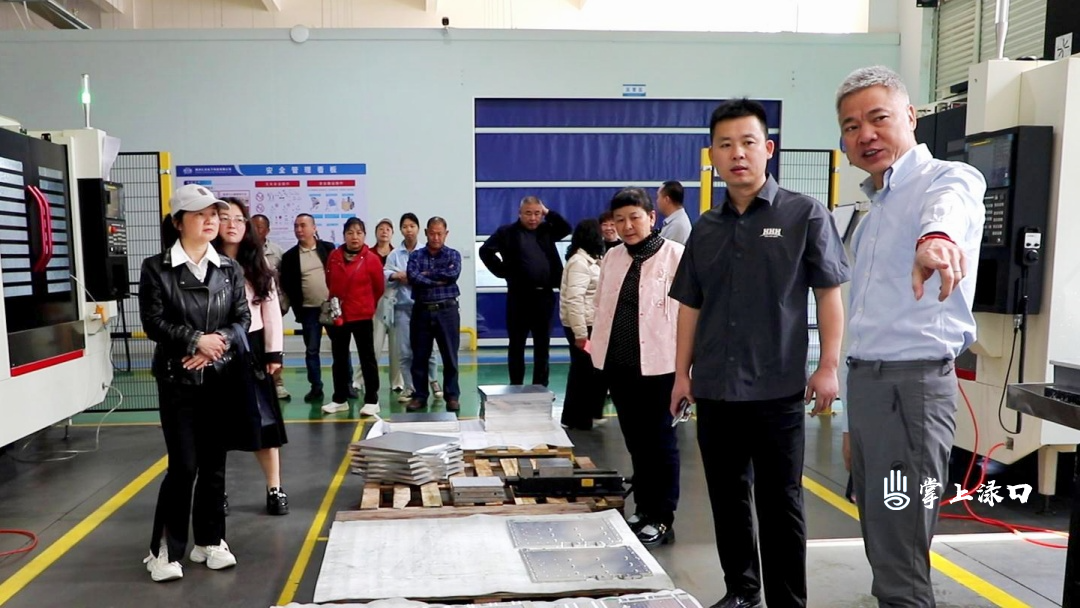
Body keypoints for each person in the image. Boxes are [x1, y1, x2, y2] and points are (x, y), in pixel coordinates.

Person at [668, 98, 850, 608]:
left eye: (748, 142)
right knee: (726, 498)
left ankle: (788, 602)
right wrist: (682, 375)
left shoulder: (804, 214)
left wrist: (828, 367)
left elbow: (829, 294)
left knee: (780, 501)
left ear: (768, 149)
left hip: (777, 387)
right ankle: (742, 591)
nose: (737, 154)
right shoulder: (706, 227)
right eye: (725, 145)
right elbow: (690, 306)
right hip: (716, 389)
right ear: (712, 155)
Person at [836, 65, 985, 608]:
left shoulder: (948, 179)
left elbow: (947, 213)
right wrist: (850, 421)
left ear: (910, 116)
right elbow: (863, 322)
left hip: (912, 386)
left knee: (900, 540)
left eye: (878, 118)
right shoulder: (872, 211)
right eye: (851, 126)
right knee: (880, 531)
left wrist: (937, 239)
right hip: (869, 385)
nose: (865, 135)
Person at [139, 184, 250, 581]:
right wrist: (193, 340)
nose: (210, 220)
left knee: (215, 465)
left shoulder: (229, 268)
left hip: (219, 375)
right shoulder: (156, 268)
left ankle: (210, 541)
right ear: (177, 222)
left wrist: (215, 344)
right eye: (200, 214)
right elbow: (153, 322)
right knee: (184, 465)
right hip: (177, 379)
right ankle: (164, 551)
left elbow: (242, 319)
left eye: (214, 214)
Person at [590, 187, 684, 547]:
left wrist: (688, 369)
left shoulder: (676, 256)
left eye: (634, 218)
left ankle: (662, 516)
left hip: (662, 366)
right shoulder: (613, 256)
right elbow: (601, 304)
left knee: (660, 442)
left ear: (651, 218)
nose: (627, 226)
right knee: (636, 441)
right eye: (620, 220)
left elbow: (692, 314)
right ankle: (644, 507)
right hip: (620, 364)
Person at [214, 199, 290, 517]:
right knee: (216, 426)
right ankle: (216, 492)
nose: (232, 224)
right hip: (214, 349)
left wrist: (273, 353)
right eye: (224, 218)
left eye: (238, 219)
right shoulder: (204, 265)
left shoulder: (259, 268)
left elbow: (271, 313)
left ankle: (275, 488)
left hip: (253, 350)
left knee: (264, 422)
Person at [479, 196, 572, 387]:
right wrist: (502, 271)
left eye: (537, 213)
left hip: (544, 296)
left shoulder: (546, 230)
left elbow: (566, 228)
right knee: (516, 344)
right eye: (528, 213)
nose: (533, 218)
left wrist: (548, 212)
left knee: (542, 344)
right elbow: (485, 251)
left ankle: (540, 385)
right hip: (518, 297)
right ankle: (516, 385)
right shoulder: (506, 232)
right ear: (519, 213)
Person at [323, 218, 385, 416]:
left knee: (367, 358)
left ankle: (372, 399)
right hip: (339, 315)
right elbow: (329, 281)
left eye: (358, 233)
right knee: (339, 358)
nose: (354, 237)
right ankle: (340, 399)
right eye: (350, 233)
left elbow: (379, 288)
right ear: (344, 236)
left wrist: (367, 305)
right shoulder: (334, 256)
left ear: (364, 235)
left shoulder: (372, 259)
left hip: (362, 315)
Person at [279, 214, 340, 403]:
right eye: (296, 226)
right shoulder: (289, 256)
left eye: (303, 225)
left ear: (314, 228)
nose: (299, 229)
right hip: (308, 310)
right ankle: (316, 388)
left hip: (330, 307)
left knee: (340, 348)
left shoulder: (328, 248)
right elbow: (287, 284)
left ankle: (345, 386)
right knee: (312, 351)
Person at [384, 213, 442, 404]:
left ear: (418, 229)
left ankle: (433, 381)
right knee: (405, 351)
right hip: (402, 308)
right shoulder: (394, 254)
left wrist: (411, 276)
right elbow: (386, 274)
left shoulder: (426, 252)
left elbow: (430, 276)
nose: (408, 230)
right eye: (405, 227)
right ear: (400, 230)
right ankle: (410, 387)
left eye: (412, 226)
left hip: (424, 307)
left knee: (428, 350)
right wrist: (396, 276)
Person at [406, 217, 462, 413]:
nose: (436, 237)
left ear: (446, 234)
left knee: (450, 356)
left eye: (440, 234)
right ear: (426, 233)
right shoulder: (416, 256)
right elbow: (413, 276)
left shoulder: (453, 255)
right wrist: (437, 279)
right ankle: (420, 396)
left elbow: (452, 275)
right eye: (432, 233)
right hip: (421, 311)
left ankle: (452, 396)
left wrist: (426, 275)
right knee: (419, 357)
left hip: (447, 311)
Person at [558, 218, 607, 430]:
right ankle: (576, 418)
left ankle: (587, 414)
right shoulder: (579, 263)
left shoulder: (591, 260)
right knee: (582, 372)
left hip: (590, 323)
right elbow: (574, 299)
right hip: (583, 326)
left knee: (590, 371)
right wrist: (580, 334)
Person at [357, 218, 405, 395]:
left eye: (388, 229)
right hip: (374, 302)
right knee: (372, 346)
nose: (384, 232)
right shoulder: (367, 254)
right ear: (375, 233)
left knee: (396, 346)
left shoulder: (397, 254)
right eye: (381, 229)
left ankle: (397, 382)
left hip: (396, 301)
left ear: (392, 233)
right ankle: (359, 380)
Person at [251, 213, 290, 401]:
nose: (256, 230)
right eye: (252, 226)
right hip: (250, 311)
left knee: (273, 346)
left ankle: (277, 383)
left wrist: (283, 304)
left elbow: (285, 281)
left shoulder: (277, 252)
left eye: (260, 227)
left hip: (270, 309)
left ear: (267, 230)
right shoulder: (242, 251)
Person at [657, 180, 692, 245]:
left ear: (666, 200)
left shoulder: (678, 226)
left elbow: (666, 250)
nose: (657, 201)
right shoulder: (674, 222)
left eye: (658, 197)